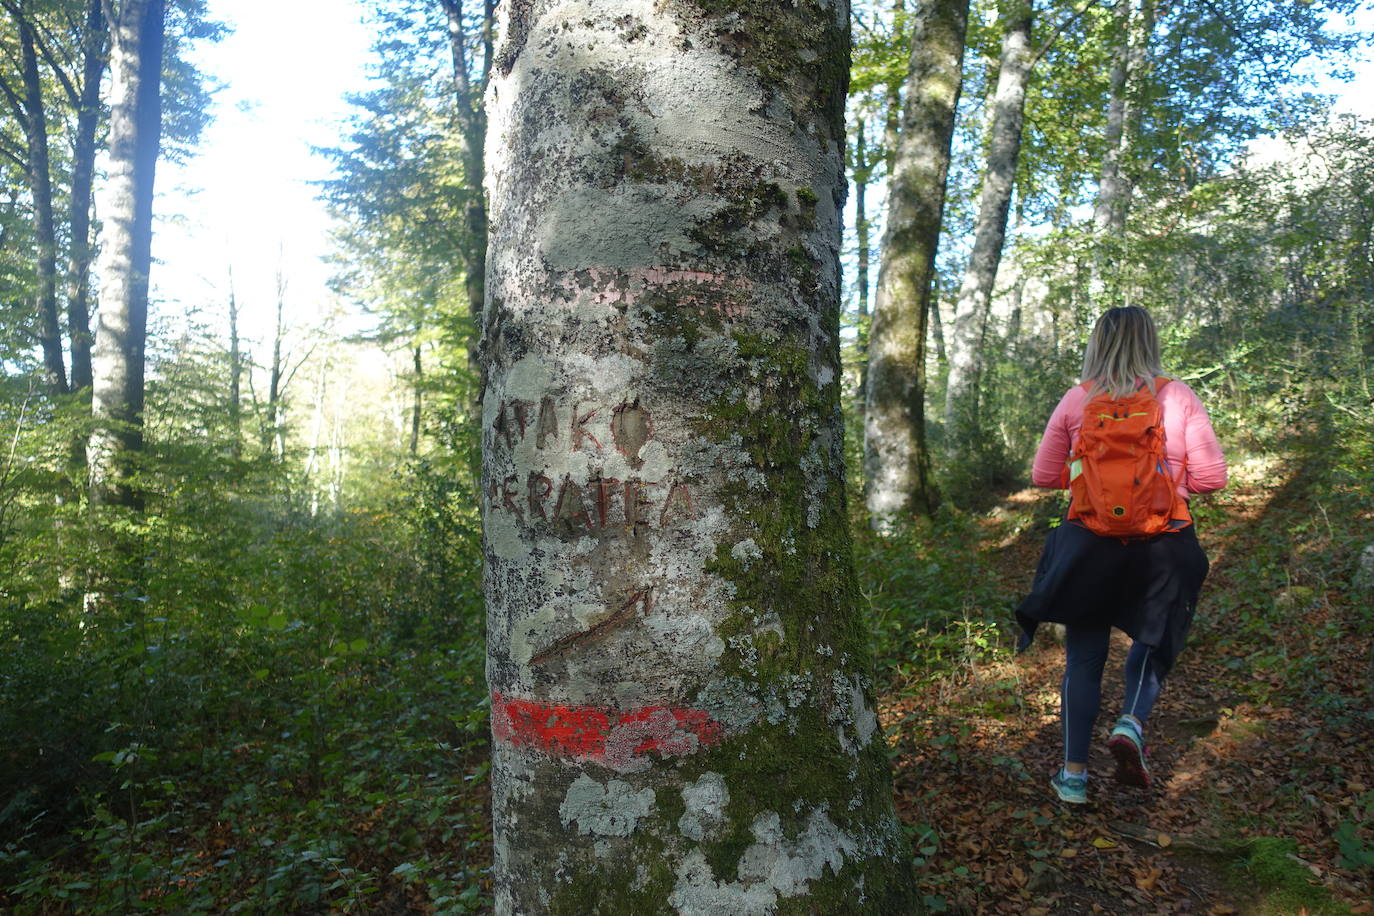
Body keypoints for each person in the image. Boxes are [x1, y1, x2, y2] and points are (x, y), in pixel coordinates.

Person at [1016, 306, 1228, 805]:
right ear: (1151, 342)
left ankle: (1072, 778)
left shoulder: (1078, 399)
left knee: (1084, 660)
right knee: (1154, 641)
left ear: (1096, 344)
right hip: (1165, 544)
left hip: (1089, 545)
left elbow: (1044, 476)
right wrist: (1173, 486)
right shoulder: (1176, 396)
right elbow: (1212, 478)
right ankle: (1131, 722)